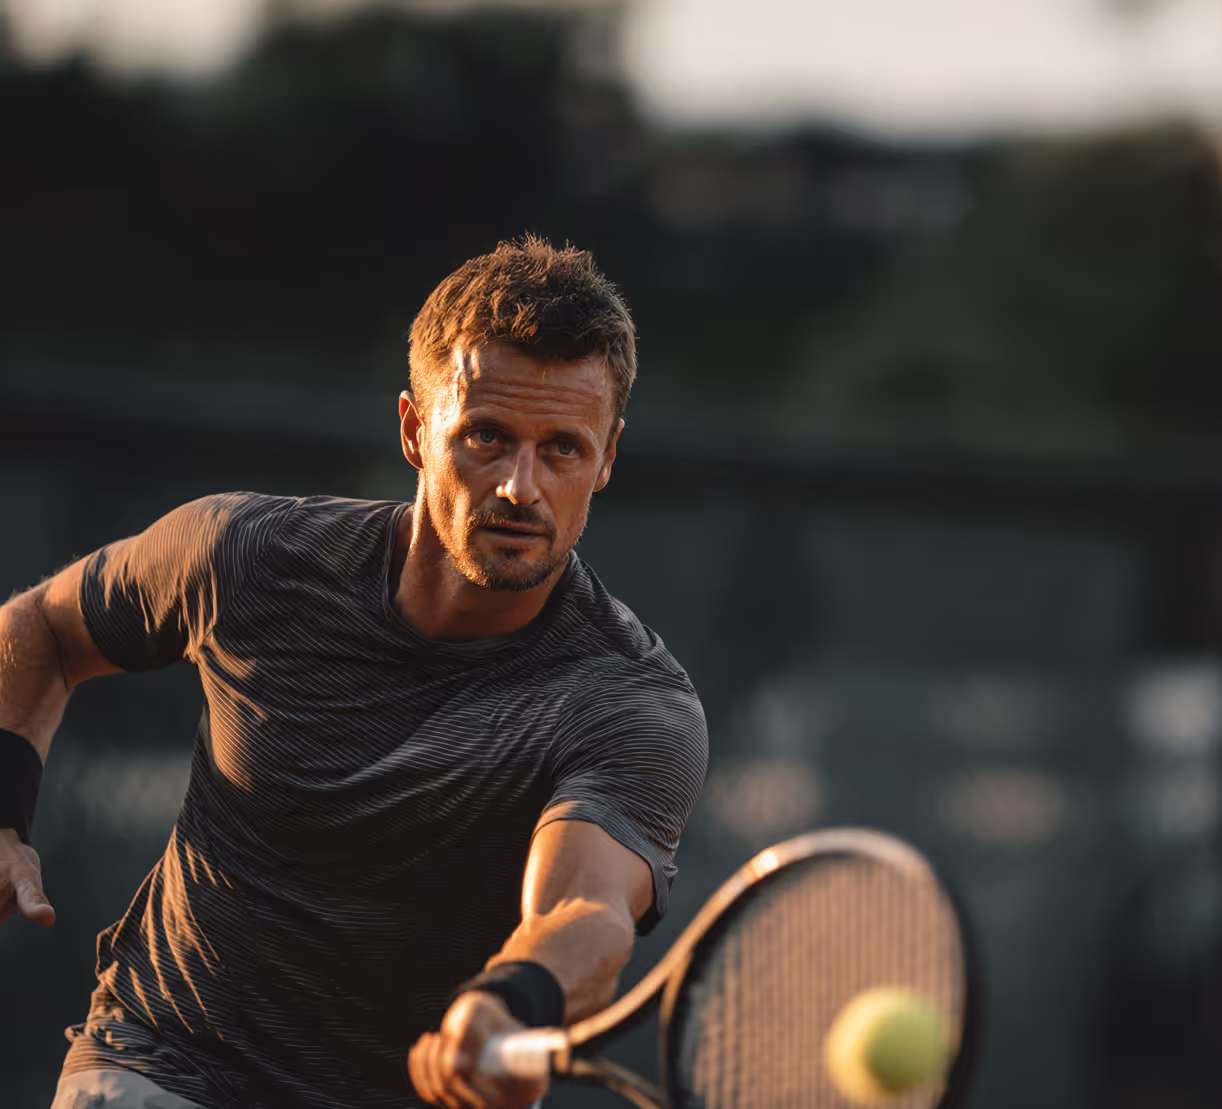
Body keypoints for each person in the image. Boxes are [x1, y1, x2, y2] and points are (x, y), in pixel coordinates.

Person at [0, 235, 709, 1109]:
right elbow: (39, 626)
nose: (522, 486)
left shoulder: (632, 703)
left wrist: (506, 1001)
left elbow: (583, 912)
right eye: (487, 437)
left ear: (606, 458)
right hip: (163, 1061)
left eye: (563, 448)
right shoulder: (250, 555)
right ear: (416, 429)